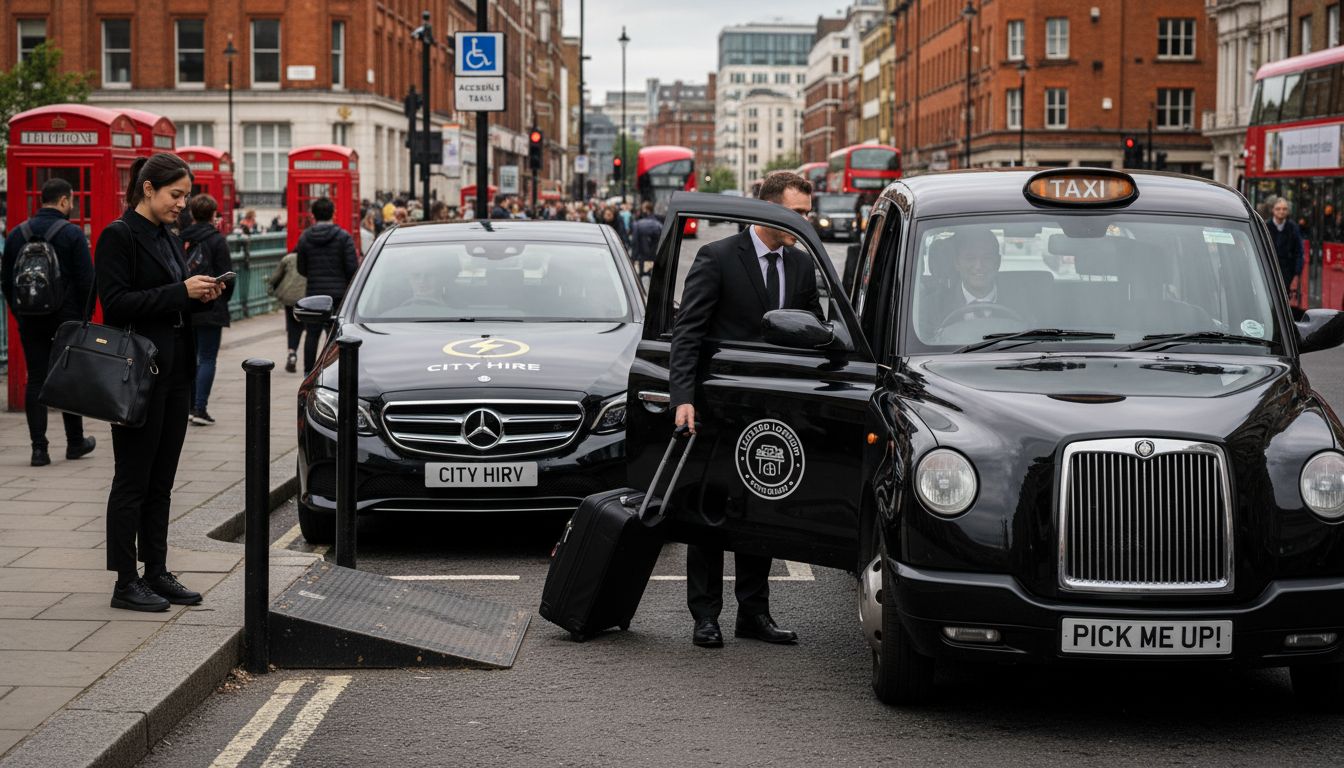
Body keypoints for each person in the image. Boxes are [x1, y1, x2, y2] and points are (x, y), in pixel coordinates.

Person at [670, 170, 820, 649]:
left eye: (807, 212)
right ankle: (706, 615)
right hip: (719, 405)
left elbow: (811, 329)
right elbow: (687, 334)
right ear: (770, 209)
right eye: (798, 212)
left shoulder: (800, 266)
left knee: (762, 509)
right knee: (710, 510)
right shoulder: (716, 257)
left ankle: (753, 614)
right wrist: (683, 398)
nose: (807, 220)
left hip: (773, 408)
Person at [97, 152, 224, 611]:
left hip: (175, 373)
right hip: (137, 376)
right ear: (148, 189)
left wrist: (200, 294)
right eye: (176, 195)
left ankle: (156, 570)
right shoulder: (118, 236)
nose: (182, 204)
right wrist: (179, 292)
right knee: (132, 479)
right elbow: (115, 303)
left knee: (162, 480)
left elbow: (170, 300)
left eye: (186, 196)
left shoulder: (168, 236)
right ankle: (124, 581)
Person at [0, 178, 97, 466]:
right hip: (65, 318)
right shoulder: (72, 234)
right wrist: (84, 318)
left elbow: (6, 280)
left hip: (30, 317)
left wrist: (19, 313)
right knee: (69, 376)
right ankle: (75, 442)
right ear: (65, 201)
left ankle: (39, 449)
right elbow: (87, 281)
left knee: (36, 378)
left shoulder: (18, 233)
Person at [180, 194, 235, 426]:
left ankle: (187, 406)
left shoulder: (181, 238)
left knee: (189, 359)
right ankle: (199, 408)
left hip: (184, 304)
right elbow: (228, 278)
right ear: (214, 214)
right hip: (211, 305)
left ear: (191, 213)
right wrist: (221, 301)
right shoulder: (217, 240)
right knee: (207, 358)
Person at [920, 227, 1032, 337]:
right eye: (970, 258)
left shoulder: (1023, 304)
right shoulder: (932, 307)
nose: (979, 266)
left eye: (987, 258)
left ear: (998, 262)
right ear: (957, 263)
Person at [295, 197, 358, 374]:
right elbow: (352, 268)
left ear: (313, 215)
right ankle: (335, 371)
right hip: (338, 295)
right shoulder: (343, 237)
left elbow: (301, 267)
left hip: (314, 294)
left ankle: (308, 372)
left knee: (312, 335)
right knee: (336, 336)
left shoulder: (305, 237)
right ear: (333, 213)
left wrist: (315, 276)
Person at [267, 251, 308, 373]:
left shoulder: (288, 258)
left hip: (289, 297)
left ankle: (292, 353)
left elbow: (275, 277)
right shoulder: (311, 257)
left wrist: (270, 287)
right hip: (307, 297)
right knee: (310, 330)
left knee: (292, 326)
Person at [1269, 196, 1305, 293]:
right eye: (1278, 209)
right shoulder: (1265, 227)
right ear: (1273, 210)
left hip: (1287, 274)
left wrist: (1297, 275)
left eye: (1284, 209)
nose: (1281, 211)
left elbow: (1299, 252)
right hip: (1268, 272)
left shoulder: (1293, 228)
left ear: (1288, 211)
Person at [630, 201, 662, 277]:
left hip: (641, 255)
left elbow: (635, 242)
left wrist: (633, 258)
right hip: (654, 255)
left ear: (646, 210)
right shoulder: (658, 223)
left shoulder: (638, 223)